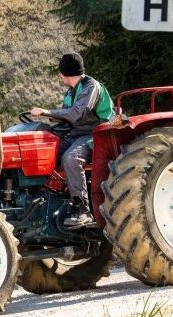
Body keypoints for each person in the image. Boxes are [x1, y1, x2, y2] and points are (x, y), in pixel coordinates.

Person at [30, 52, 114, 227]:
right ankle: (41, 198)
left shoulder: (91, 87)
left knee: (70, 158)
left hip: (97, 133)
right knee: (43, 153)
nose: (59, 76)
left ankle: (82, 209)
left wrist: (46, 112)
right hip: (76, 133)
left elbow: (76, 114)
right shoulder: (70, 92)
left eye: (61, 72)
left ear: (65, 73)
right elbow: (66, 120)